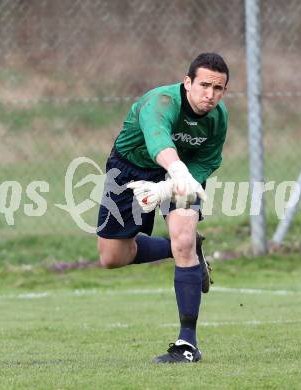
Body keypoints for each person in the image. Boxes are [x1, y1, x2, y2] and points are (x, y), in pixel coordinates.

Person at [97, 52, 229, 363]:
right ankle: (188, 251)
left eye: (219, 88)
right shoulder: (161, 102)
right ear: (187, 83)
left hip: (179, 176)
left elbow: (208, 158)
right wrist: (177, 172)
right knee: (113, 257)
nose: (210, 95)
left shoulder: (218, 117)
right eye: (204, 85)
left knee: (182, 239)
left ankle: (187, 344)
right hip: (131, 169)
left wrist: (174, 183)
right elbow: (157, 139)